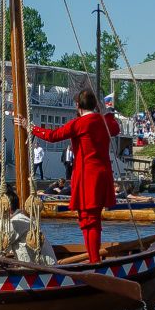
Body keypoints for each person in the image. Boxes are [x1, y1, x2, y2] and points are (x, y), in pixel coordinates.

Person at [31, 88, 120, 265]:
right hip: (103, 174)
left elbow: (52, 136)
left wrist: (31, 128)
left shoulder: (79, 124)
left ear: (77, 105)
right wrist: (105, 112)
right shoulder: (105, 122)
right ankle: (93, 258)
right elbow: (115, 126)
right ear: (95, 105)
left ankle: (94, 260)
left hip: (88, 175)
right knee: (90, 218)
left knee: (88, 218)